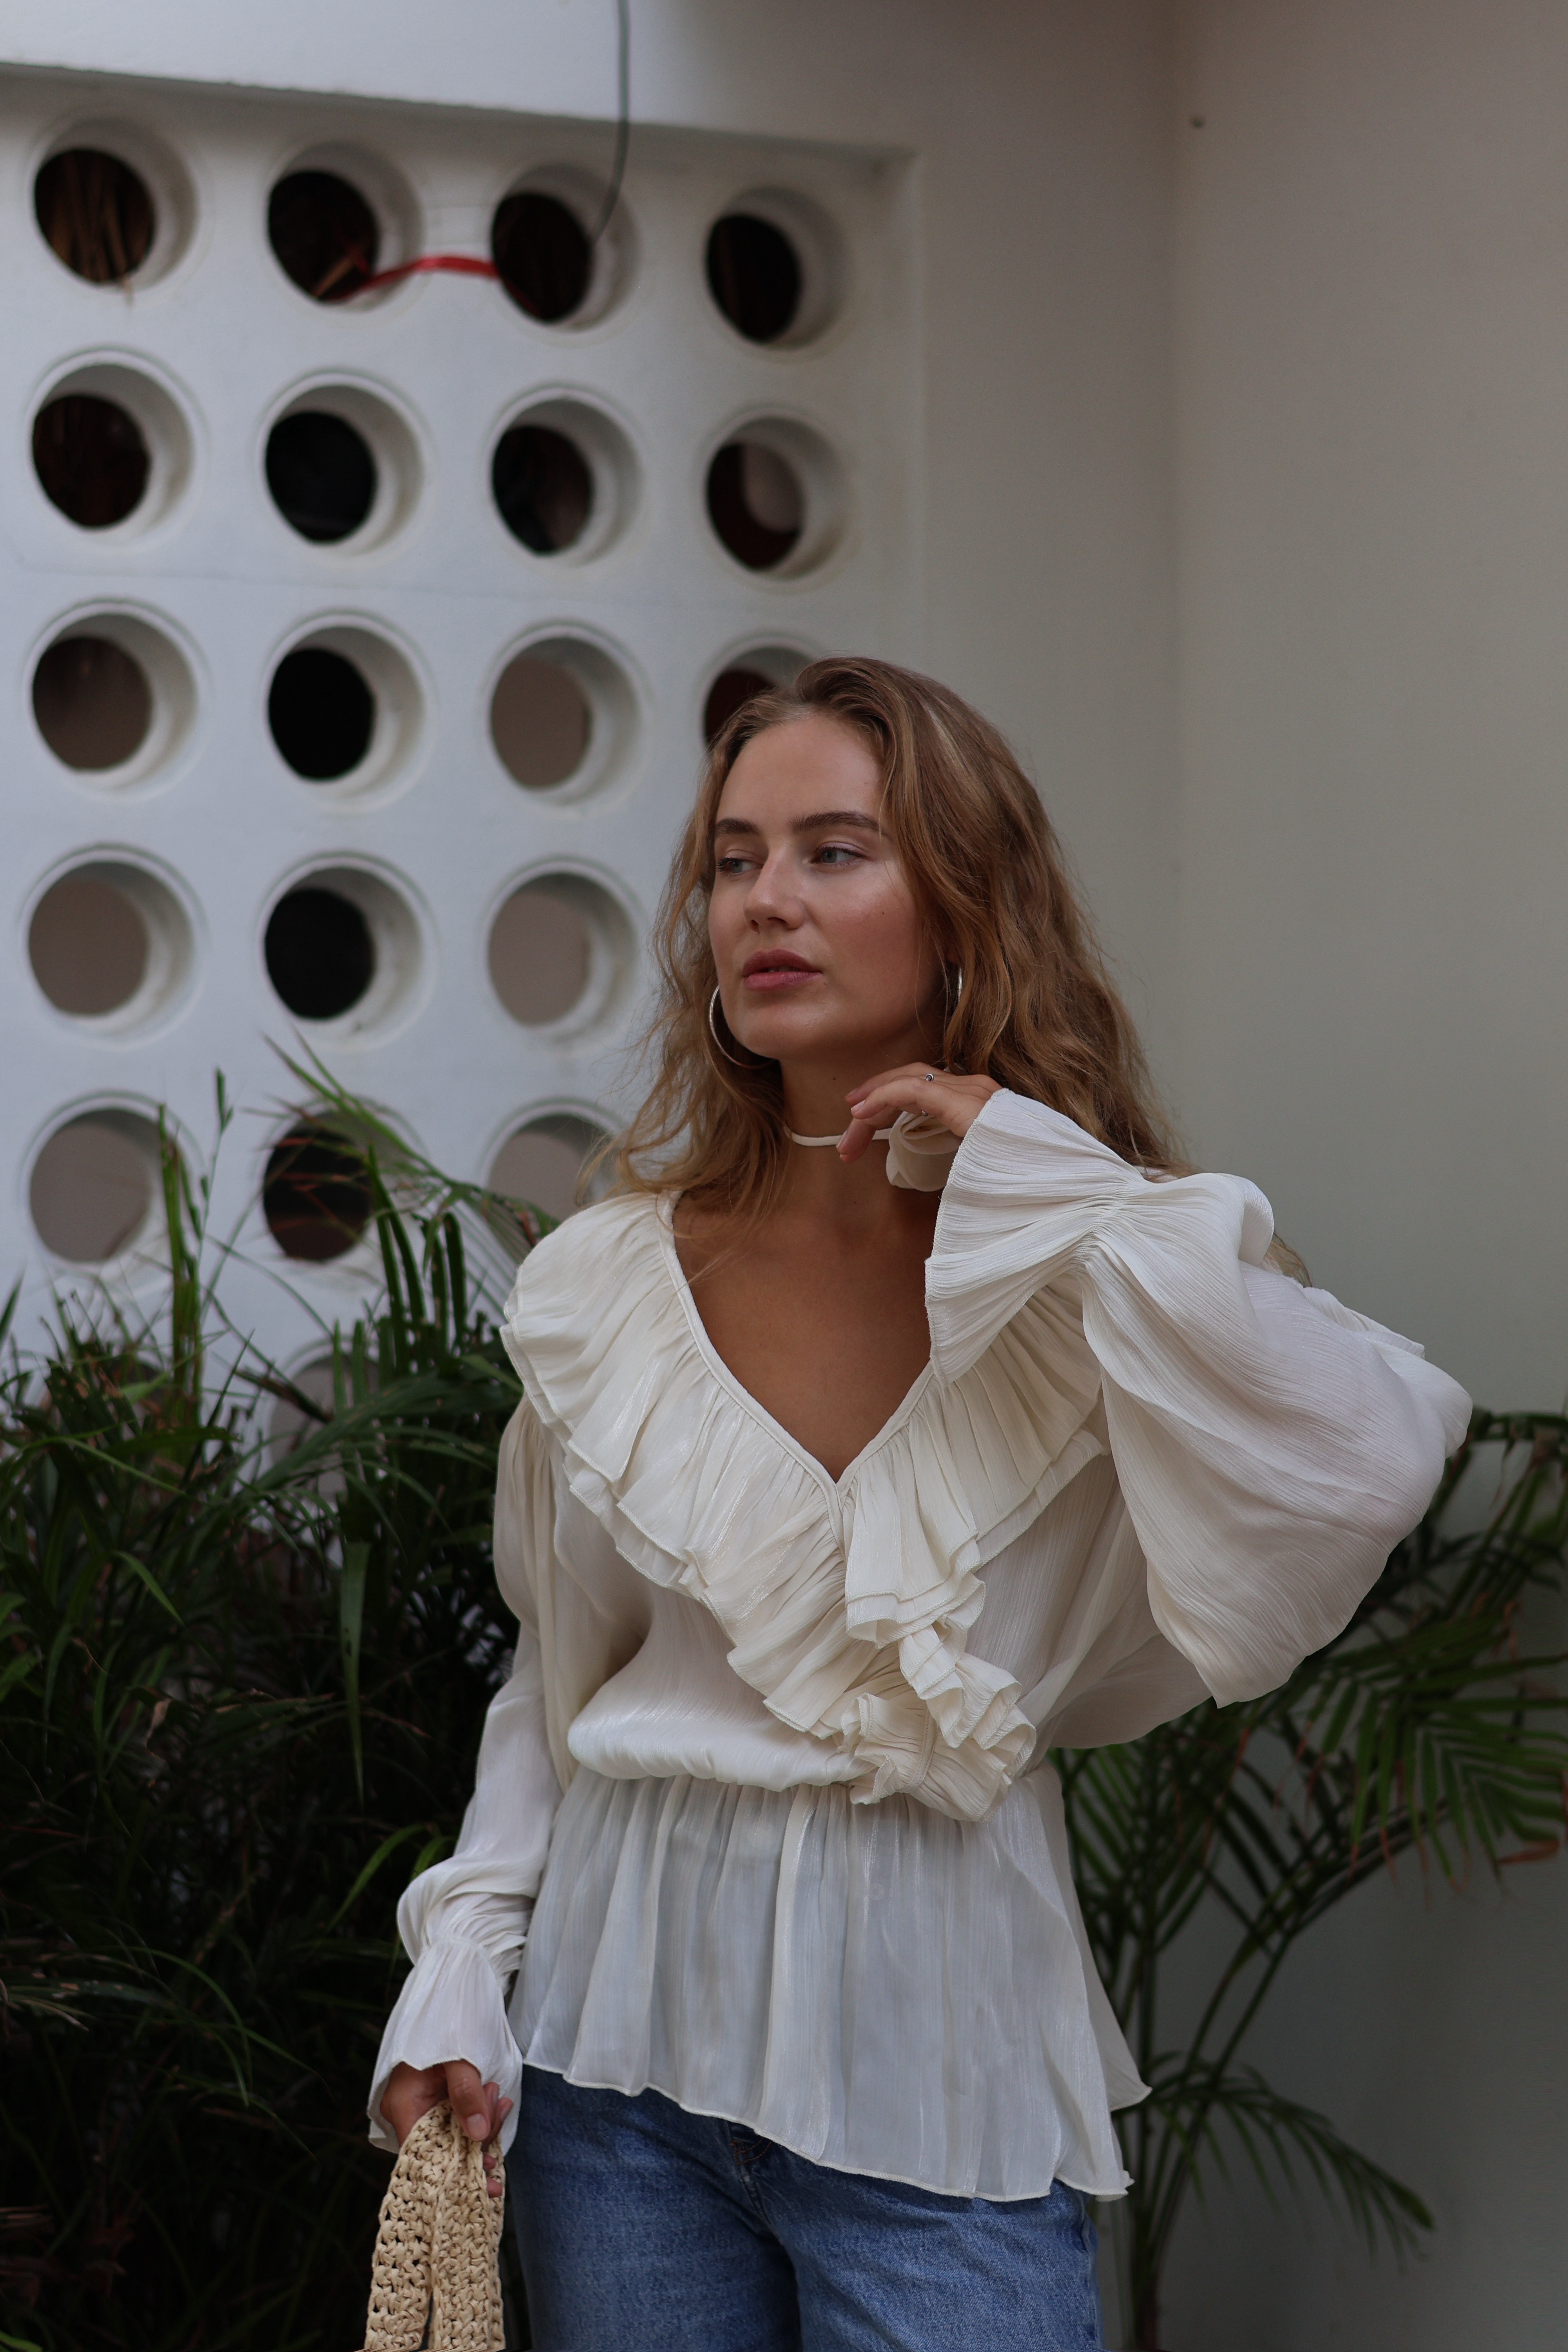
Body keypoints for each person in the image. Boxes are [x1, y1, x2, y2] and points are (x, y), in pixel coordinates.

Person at [370, 658, 1469, 2352]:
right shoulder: (607, 1285)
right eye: (734, 860)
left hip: (941, 2083)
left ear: (966, 907)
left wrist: (1039, 1180)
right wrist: (463, 1964)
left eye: (834, 852)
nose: (766, 902)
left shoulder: (1100, 1269)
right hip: (614, 2075)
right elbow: (561, 1672)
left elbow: (1370, 1450)